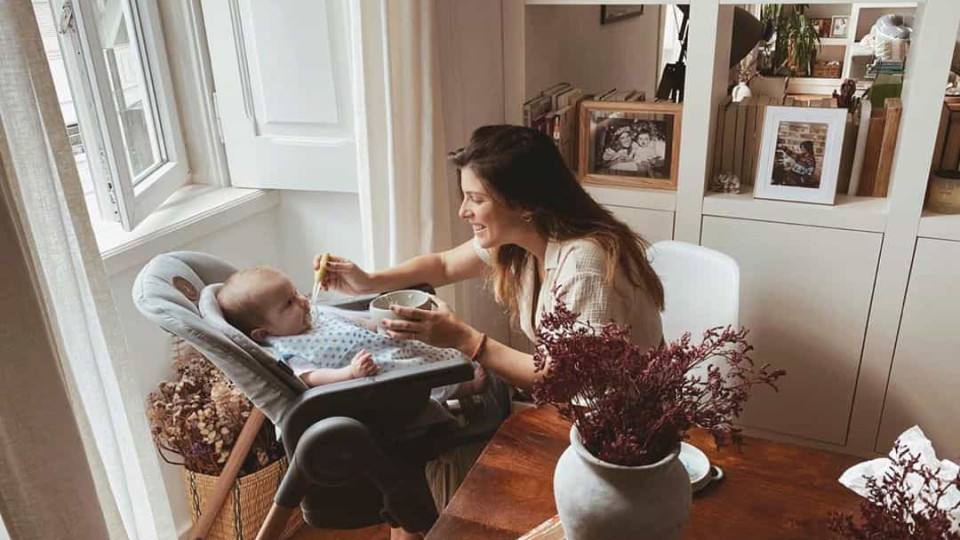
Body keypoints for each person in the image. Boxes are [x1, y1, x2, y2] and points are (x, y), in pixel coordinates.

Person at [316, 125, 664, 393]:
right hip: (573, 407)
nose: (463, 210)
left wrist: (463, 339)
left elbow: (561, 381)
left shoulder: (582, 264)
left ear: (525, 204)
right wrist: (369, 281)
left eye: (475, 199)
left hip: (622, 429)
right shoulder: (523, 241)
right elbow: (443, 265)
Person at [216, 266, 487, 398]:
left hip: (388, 344)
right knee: (416, 372)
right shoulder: (287, 350)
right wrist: (349, 374)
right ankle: (466, 386)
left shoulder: (314, 315)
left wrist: (381, 322)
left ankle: (460, 362)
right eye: (288, 303)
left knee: (426, 349)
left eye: (296, 292)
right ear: (262, 333)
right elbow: (311, 379)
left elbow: (357, 320)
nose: (302, 301)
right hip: (376, 373)